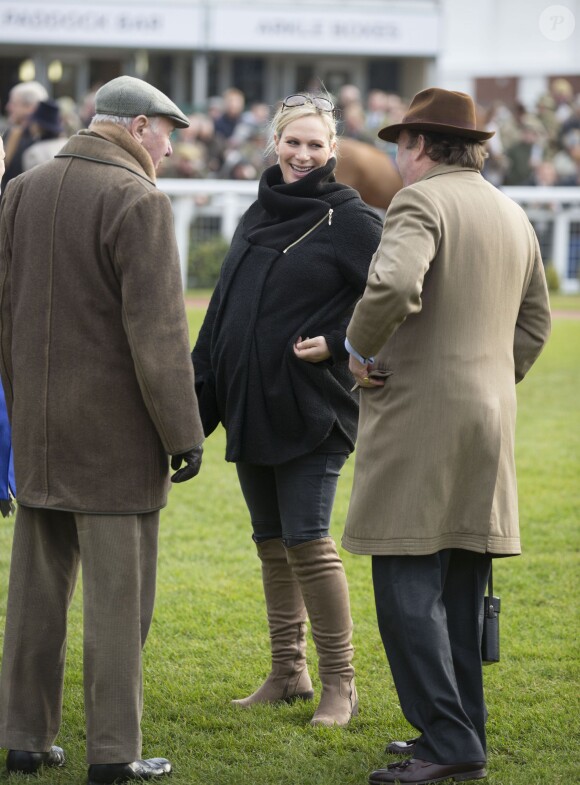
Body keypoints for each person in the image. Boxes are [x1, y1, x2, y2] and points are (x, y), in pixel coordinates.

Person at [0, 76, 205, 784]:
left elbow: (4, 315)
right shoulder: (138, 200)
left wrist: (22, 404)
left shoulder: (22, 190)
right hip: (116, 440)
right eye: (168, 132)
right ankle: (115, 752)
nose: (172, 147)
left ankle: (24, 737)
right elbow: (159, 335)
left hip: (40, 427)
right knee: (119, 603)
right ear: (138, 126)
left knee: (34, 591)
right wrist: (185, 434)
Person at [343, 87, 551, 784]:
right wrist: (489, 381)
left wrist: (358, 350)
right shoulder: (512, 211)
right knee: (460, 582)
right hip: (488, 417)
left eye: (401, 144)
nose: (397, 158)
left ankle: (449, 743)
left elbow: (396, 284)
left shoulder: (421, 201)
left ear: (422, 146)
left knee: (405, 578)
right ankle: (461, 730)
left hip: (418, 416)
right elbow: (535, 323)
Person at [192, 92, 383, 727]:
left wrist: (335, 341)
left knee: (308, 543)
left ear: (333, 152)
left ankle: (341, 684)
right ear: (275, 144)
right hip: (251, 402)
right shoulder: (256, 213)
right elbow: (221, 311)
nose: (302, 154)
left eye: (315, 145)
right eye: (292, 142)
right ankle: (288, 672)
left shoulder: (351, 220)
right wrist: (199, 401)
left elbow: (399, 296)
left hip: (312, 410)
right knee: (271, 544)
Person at [0, 80, 48, 195]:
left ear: (31, 108)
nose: (8, 107)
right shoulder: (10, 132)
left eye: (14, 104)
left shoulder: (42, 139)